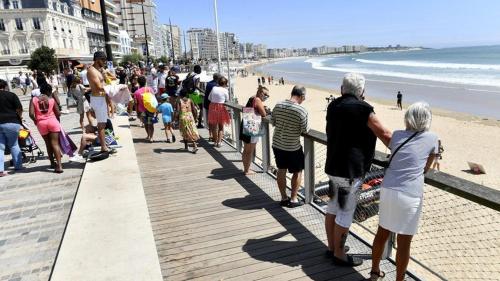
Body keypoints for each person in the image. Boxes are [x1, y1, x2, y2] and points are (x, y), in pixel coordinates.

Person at [324, 73, 392, 267]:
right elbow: (384, 133)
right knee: (345, 212)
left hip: (334, 166)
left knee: (333, 207)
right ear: (362, 91)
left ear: (341, 89)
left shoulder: (333, 106)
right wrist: (400, 150)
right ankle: (339, 254)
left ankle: (332, 247)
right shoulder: (363, 109)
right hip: (351, 170)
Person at [370, 102, 438, 281]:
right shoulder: (432, 139)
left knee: (382, 232)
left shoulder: (398, 134)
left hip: (388, 188)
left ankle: (374, 271)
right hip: (410, 193)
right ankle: (399, 279)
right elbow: (425, 169)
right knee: (404, 242)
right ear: (427, 120)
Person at [271, 85, 309, 208]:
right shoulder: (301, 110)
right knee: (297, 172)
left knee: (281, 170)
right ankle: (293, 199)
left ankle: (283, 197)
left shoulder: (278, 105)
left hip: (277, 144)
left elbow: (273, 121)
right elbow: (305, 129)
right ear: (302, 96)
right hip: (292, 147)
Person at [29, 83, 63, 173]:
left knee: (48, 144)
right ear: (49, 91)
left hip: (41, 123)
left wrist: (36, 121)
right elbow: (58, 113)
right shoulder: (51, 99)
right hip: (52, 121)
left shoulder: (34, 100)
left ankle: (52, 163)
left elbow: (31, 114)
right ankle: (59, 166)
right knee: (55, 144)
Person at [88, 51, 113, 153]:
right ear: (98, 59)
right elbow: (98, 87)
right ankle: (103, 147)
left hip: (101, 99)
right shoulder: (91, 70)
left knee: (103, 123)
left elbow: (106, 81)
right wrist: (113, 88)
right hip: (98, 99)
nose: (105, 62)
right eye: (103, 60)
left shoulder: (98, 70)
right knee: (101, 124)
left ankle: (104, 144)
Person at [241, 85, 269, 175]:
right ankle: (247, 170)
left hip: (246, 123)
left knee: (246, 149)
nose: (266, 97)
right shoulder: (257, 99)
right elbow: (264, 114)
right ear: (261, 93)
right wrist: (265, 110)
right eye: (266, 94)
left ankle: (246, 168)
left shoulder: (252, 98)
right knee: (249, 151)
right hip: (252, 126)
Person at [0, 79, 23, 176]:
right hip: (12, 122)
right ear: (5, 86)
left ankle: (1, 170)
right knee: (14, 144)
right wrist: (20, 117)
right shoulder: (11, 95)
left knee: (0, 148)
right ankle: (18, 166)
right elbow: (19, 109)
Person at [208, 77, 231, 148]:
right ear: (225, 83)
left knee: (214, 127)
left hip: (212, 106)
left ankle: (215, 141)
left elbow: (209, 98)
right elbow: (227, 99)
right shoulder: (225, 90)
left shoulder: (214, 88)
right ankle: (219, 142)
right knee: (221, 126)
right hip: (221, 107)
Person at [177, 89, 199, 153]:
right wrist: (195, 117)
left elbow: (178, 111)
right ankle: (186, 147)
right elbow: (194, 110)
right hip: (190, 116)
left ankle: (194, 145)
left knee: (185, 131)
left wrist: (174, 119)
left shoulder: (179, 101)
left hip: (183, 117)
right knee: (191, 130)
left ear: (180, 94)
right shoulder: (190, 100)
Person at [134, 76, 155, 142]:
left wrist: (137, 113)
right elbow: (154, 99)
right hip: (150, 109)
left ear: (138, 83)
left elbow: (136, 103)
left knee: (145, 123)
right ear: (145, 82)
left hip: (142, 110)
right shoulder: (150, 89)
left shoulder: (137, 92)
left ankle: (148, 135)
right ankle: (151, 137)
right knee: (150, 123)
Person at [204, 73, 221, 140]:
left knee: (210, 121)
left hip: (207, 104)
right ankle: (215, 137)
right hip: (213, 105)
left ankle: (210, 134)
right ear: (217, 78)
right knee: (215, 122)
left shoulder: (208, 84)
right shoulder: (216, 85)